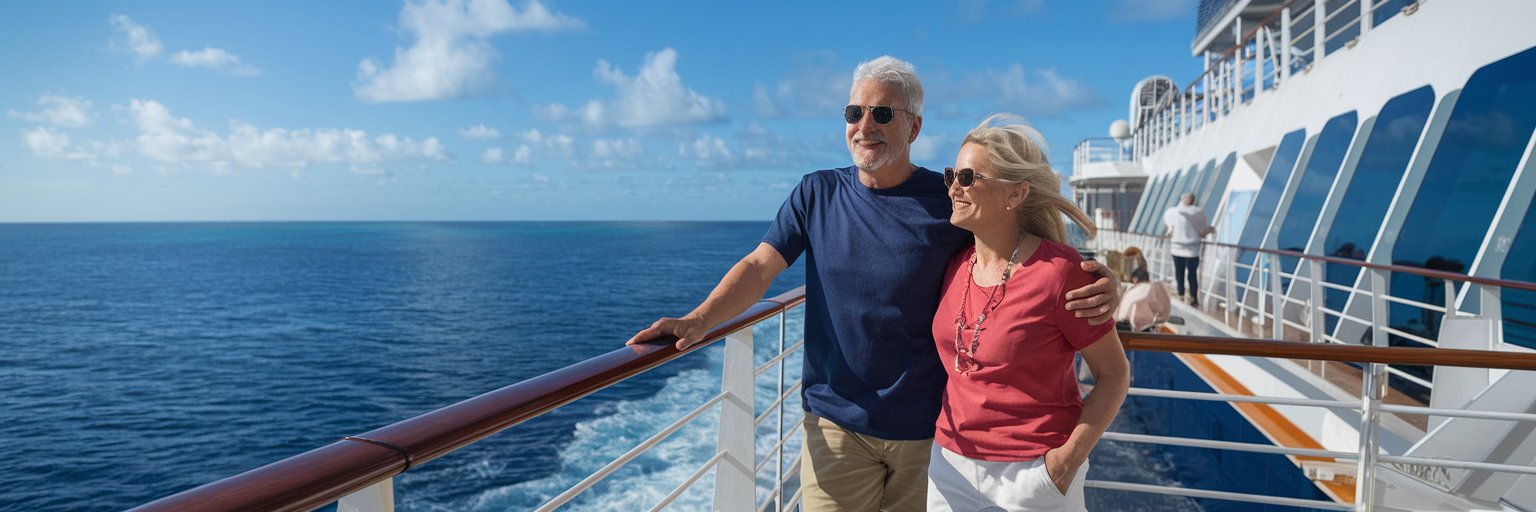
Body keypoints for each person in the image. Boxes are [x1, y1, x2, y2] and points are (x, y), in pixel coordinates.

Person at [625, 56, 1120, 511]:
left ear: (914, 126)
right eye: (853, 112)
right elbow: (759, 266)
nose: (865, 126)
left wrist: (1099, 276)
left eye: (882, 114)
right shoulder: (816, 193)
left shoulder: (947, 201)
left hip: (927, 434)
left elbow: (1012, 242)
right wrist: (699, 319)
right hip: (837, 426)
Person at [928, 115, 1129, 511]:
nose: (954, 187)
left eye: (968, 177)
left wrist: (1064, 463)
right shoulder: (953, 263)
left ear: (1016, 194)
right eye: (952, 174)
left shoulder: (1060, 273)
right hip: (949, 466)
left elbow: (1114, 374)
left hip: (1032, 472)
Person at [1163, 192, 1214, 307]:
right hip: (1193, 250)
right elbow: (1202, 233)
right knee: (1192, 275)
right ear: (1193, 200)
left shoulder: (1172, 212)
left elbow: (1170, 231)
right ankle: (1194, 298)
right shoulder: (1198, 212)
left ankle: (1181, 294)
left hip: (1177, 248)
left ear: (1182, 199)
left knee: (1179, 273)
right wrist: (1211, 229)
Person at [1114, 267, 1171, 332]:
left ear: (1135, 279)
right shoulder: (1152, 288)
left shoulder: (1130, 291)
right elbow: (1163, 312)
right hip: (1141, 329)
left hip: (1123, 327)